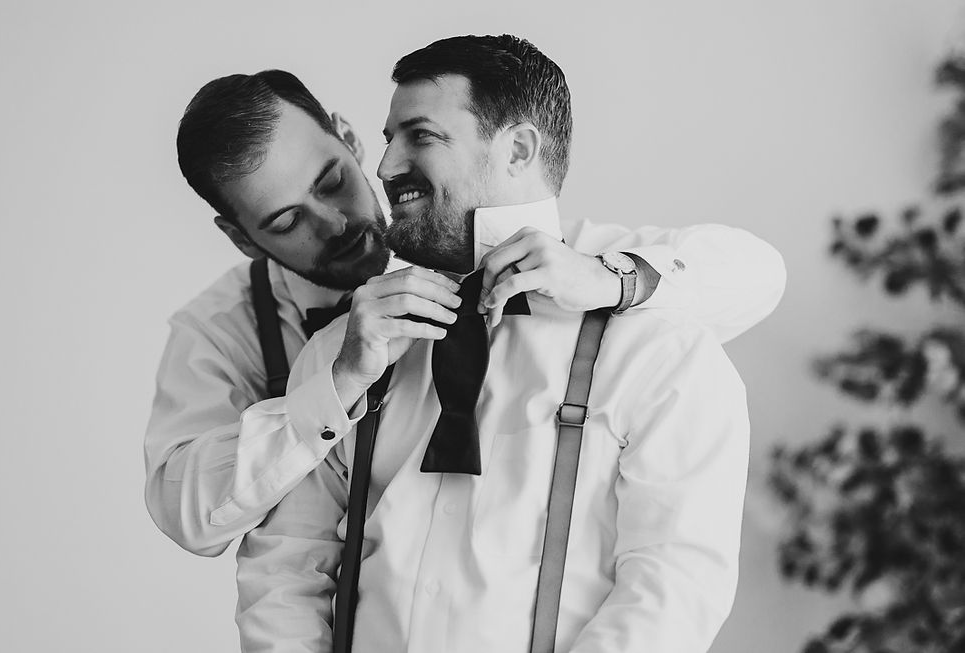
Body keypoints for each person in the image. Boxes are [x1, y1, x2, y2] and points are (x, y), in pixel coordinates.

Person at [233, 35, 768, 653]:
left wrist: (610, 279)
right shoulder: (346, 352)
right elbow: (284, 571)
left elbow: (671, 595)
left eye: (421, 135)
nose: (383, 168)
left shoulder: (660, 353)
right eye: (387, 139)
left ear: (517, 148)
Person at [144, 65, 785, 559]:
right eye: (286, 221)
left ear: (348, 138)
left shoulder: (487, 239)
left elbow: (756, 275)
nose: (334, 222)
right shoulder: (222, 328)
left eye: (332, 179)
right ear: (241, 237)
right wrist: (334, 383)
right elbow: (190, 514)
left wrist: (609, 276)